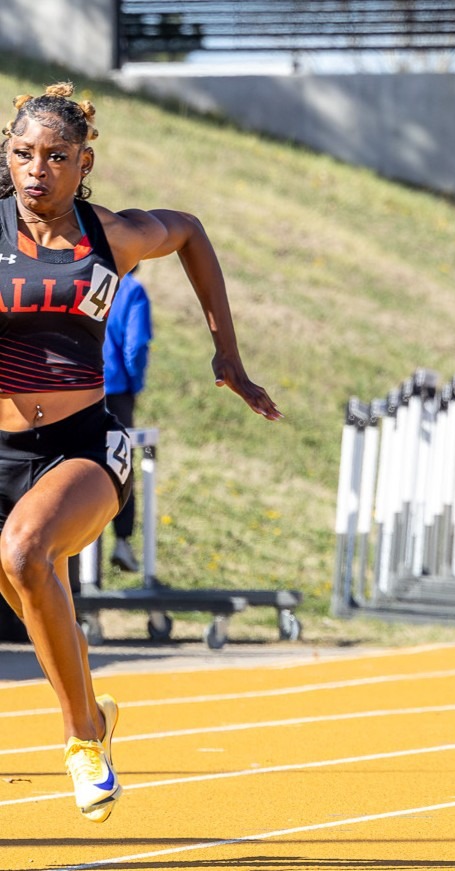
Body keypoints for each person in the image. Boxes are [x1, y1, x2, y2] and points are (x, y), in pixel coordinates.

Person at [1, 83, 281, 822]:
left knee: (29, 552)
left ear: (83, 161)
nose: (38, 170)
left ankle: (80, 744)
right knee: (32, 593)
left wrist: (228, 355)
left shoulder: (110, 237)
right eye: (24, 153)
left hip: (83, 446)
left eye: (57, 156)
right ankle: (93, 714)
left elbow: (188, 231)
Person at [102, 267, 152, 574]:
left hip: (76, 387)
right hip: (117, 389)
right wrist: (135, 386)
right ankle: (122, 540)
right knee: (121, 466)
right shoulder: (131, 290)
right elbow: (135, 347)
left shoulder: (81, 277)